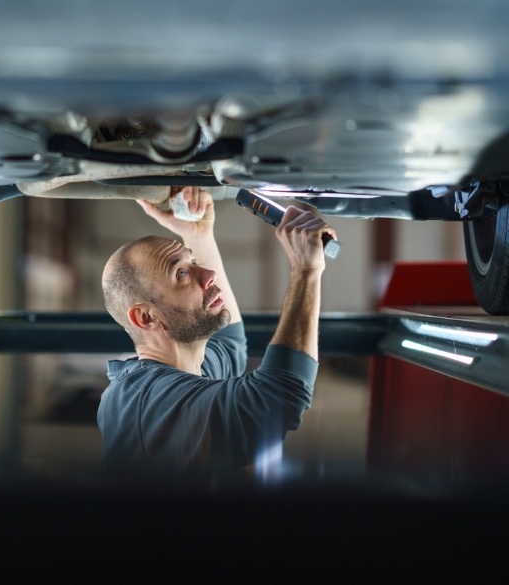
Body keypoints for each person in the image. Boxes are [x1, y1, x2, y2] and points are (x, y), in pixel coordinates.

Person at [97, 186, 336, 481]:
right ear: (146, 317)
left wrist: (199, 237)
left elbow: (231, 344)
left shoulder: (179, 369)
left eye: (193, 261)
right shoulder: (147, 402)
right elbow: (276, 401)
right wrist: (305, 269)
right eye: (181, 273)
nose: (208, 275)